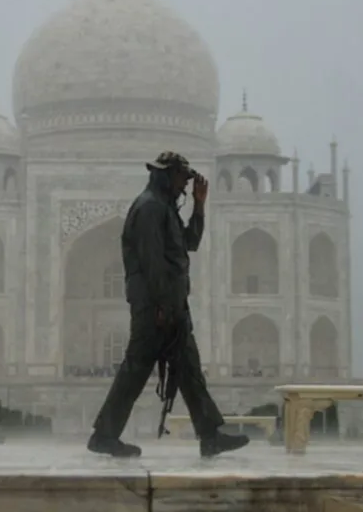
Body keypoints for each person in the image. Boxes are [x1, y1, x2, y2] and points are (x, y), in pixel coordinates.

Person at [87, 151, 250, 458]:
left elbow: (190, 243)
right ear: (166, 175)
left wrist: (199, 206)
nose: (185, 186)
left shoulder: (163, 207)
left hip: (170, 302)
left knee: (188, 368)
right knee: (136, 369)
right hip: (156, 305)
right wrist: (163, 306)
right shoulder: (149, 208)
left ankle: (210, 434)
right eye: (182, 178)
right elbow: (152, 262)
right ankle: (104, 435)